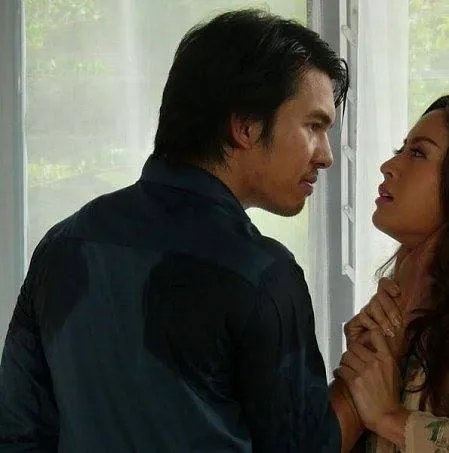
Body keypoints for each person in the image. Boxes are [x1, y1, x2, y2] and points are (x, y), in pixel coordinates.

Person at [0, 9, 356, 452]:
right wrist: (358, 388)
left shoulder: (64, 245)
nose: (326, 156)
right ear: (245, 127)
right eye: (314, 126)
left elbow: (17, 433)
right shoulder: (262, 273)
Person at [336, 95, 449, 452]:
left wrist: (391, 419)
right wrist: (367, 360)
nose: (388, 166)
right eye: (402, 149)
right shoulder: (401, 305)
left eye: (417, 153)